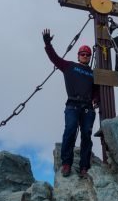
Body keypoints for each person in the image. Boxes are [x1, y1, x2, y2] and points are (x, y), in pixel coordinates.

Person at [42, 29, 99, 178]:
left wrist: (96, 99)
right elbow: (54, 58)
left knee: (86, 135)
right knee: (70, 130)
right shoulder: (70, 66)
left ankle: (84, 167)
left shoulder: (93, 73)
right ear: (78, 55)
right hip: (72, 105)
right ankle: (66, 163)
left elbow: (97, 90)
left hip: (87, 107)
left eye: (87, 55)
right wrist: (48, 44)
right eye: (82, 54)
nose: (85, 56)